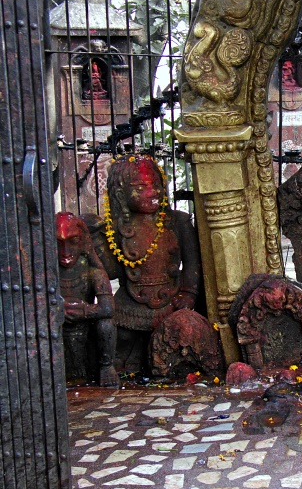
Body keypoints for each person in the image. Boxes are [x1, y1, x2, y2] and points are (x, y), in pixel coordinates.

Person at [88, 154, 201, 372]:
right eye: (140, 188)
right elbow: (112, 272)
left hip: (171, 300)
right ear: (120, 194)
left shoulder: (178, 222)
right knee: (117, 337)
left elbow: (192, 263)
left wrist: (189, 293)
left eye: (155, 185)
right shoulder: (115, 228)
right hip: (130, 304)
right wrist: (96, 240)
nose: (152, 193)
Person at [57, 212, 119, 387]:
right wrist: (57, 309)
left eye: (73, 241)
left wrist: (83, 310)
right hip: (58, 328)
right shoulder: (48, 273)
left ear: (83, 241)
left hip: (85, 328)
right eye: (58, 243)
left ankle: (106, 366)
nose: (66, 252)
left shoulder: (93, 271)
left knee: (106, 324)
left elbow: (108, 308)